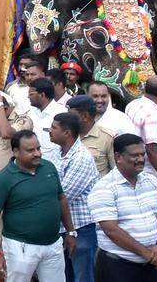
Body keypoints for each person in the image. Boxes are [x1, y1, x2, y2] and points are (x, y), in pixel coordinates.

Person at [0, 129, 77, 282]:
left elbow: (61, 199)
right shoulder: (4, 178)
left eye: (38, 148)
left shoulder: (49, 167)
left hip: (53, 245)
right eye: (30, 150)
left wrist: (71, 232)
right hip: (20, 248)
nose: (37, 153)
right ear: (16, 152)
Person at [88, 133, 157, 281]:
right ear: (118, 157)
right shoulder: (104, 188)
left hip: (153, 265)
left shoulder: (152, 181)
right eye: (134, 155)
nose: (141, 159)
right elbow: (111, 230)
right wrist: (146, 253)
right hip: (118, 268)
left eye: (142, 154)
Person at [51, 112, 99, 282]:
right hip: (62, 228)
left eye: (54, 128)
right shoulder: (57, 152)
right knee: (66, 276)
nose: (49, 131)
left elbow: (62, 195)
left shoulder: (81, 158)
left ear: (67, 133)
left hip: (80, 229)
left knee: (82, 277)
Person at [125, 76, 157, 191]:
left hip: (133, 168)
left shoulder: (133, 104)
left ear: (145, 89)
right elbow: (151, 149)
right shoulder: (153, 116)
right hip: (150, 174)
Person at [67, 95, 116, 177]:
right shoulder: (67, 135)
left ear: (85, 116)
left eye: (71, 116)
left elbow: (115, 171)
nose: (67, 119)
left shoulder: (108, 138)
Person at [28, 77, 68, 168]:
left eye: (31, 94)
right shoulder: (30, 113)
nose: (28, 97)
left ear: (42, 95)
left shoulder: (62, 113)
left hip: (53, 167)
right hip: (32, 167)